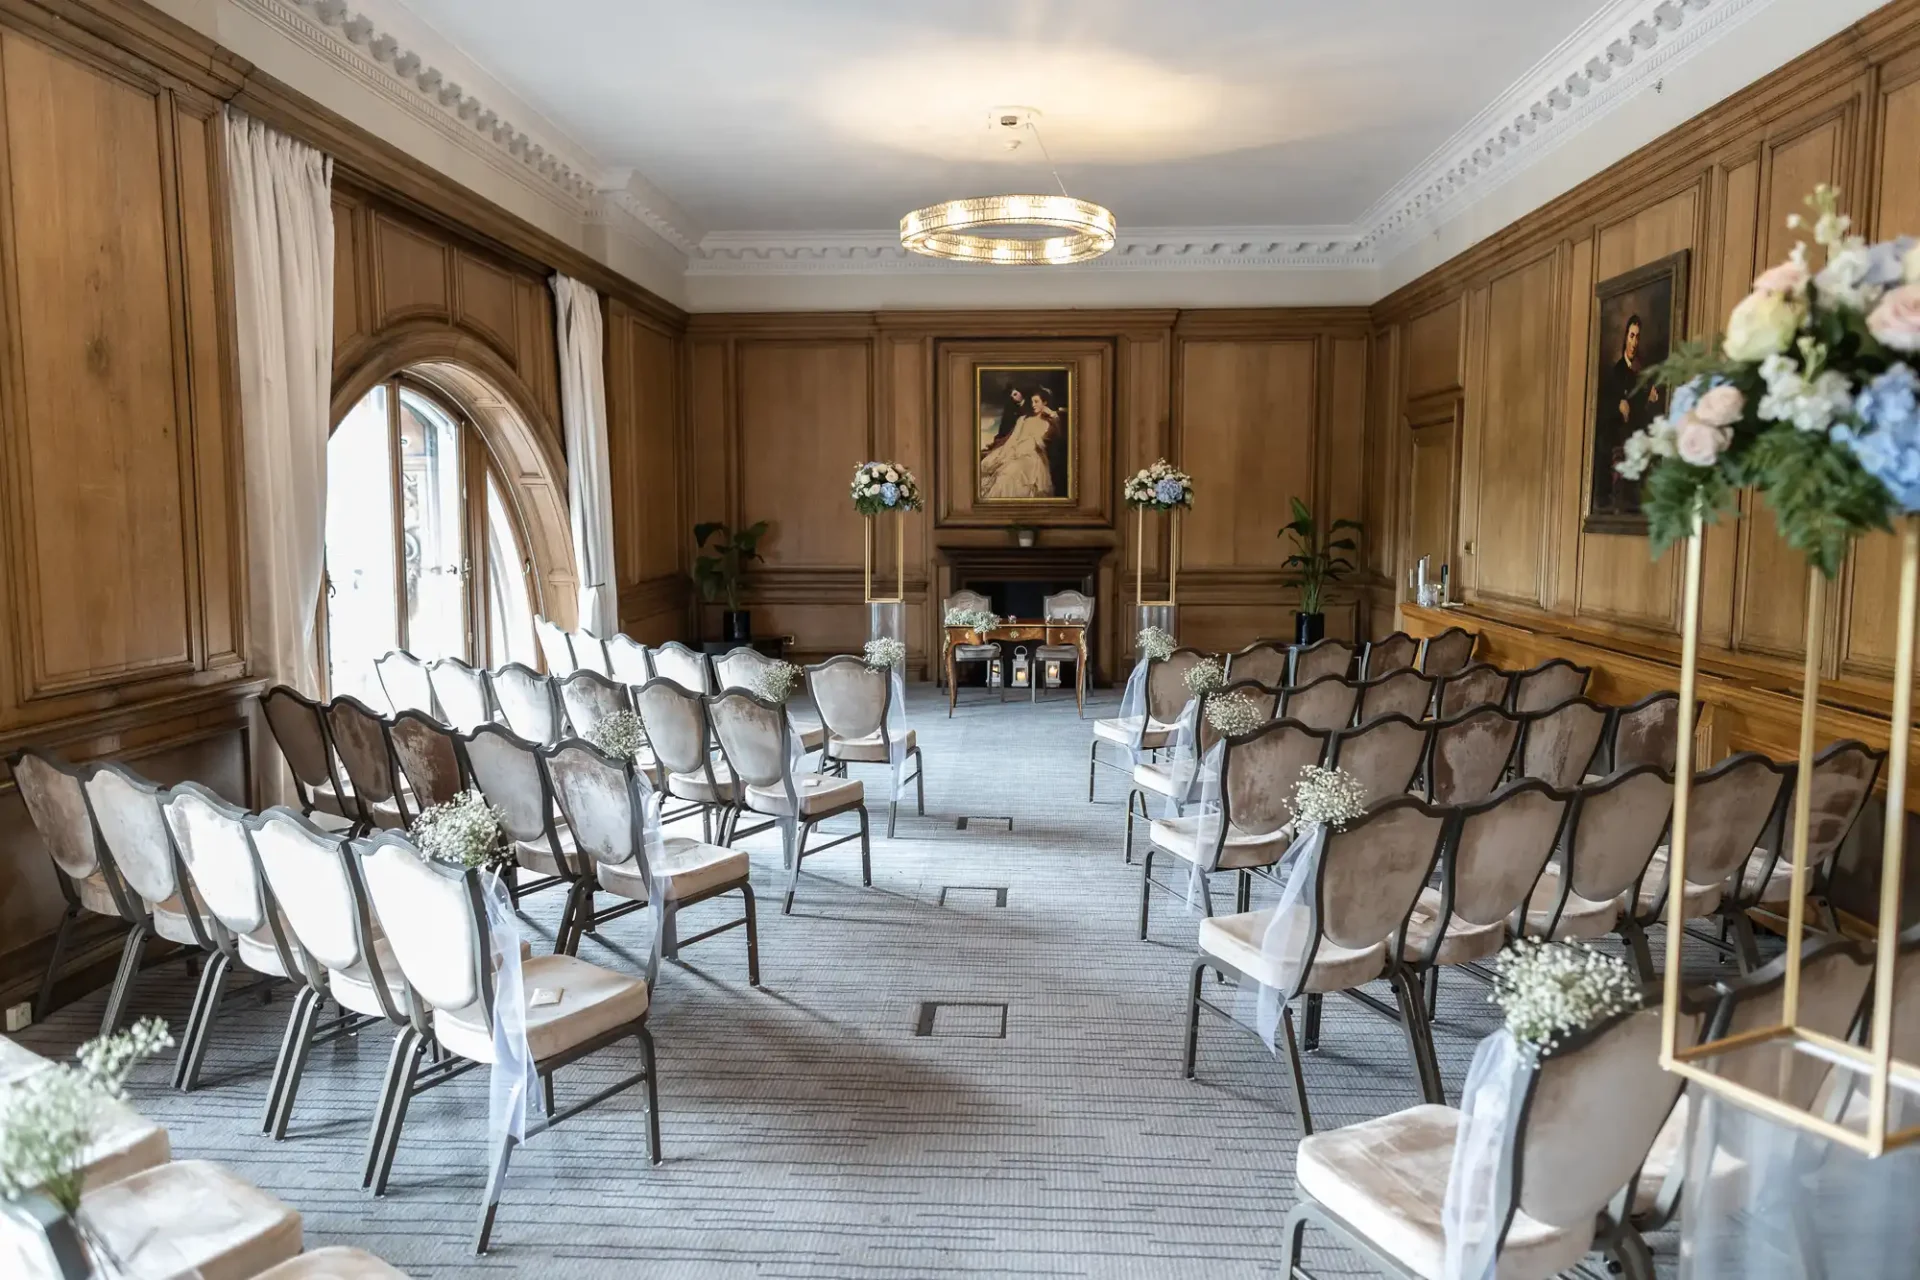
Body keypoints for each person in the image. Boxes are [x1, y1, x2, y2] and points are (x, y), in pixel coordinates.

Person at [1595, 313, 1661, 513]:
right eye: (1632, 336)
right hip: (1618, 436)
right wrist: (1618, 405)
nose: (1634, 341)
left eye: (1638, 337)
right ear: (1625, 337)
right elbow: (1606, 408)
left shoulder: (1641, 372)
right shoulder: (1616, 372)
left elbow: (1639, 407)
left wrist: (1650, 397)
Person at [980, 389, 1059, 500]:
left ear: (1044, 403)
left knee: (1010, 474)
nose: (1033, 405)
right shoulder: (1023, 419)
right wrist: (1006, 454)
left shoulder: (1048, 422)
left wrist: (1052, 415)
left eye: (1036, 402)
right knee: (995, 470)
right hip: (1014, 452)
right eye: (1031, 402)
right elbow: (1013, 439)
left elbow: (1046, 440)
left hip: (1032, 458)